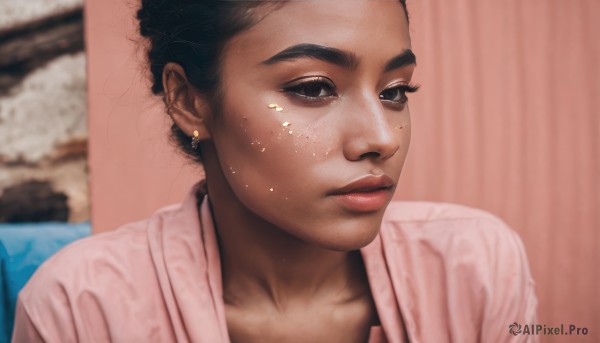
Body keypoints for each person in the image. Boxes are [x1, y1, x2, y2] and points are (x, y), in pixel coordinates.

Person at [11, 0, 538, 342]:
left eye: (395, 91)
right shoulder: (82, 309)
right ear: (189, 100)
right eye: (313, 87)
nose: (381, 137)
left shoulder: (475, 271)